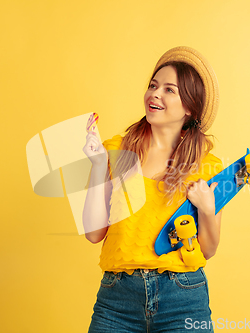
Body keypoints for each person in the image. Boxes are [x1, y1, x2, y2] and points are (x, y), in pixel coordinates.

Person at [82, 46, 224, 332]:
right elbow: (94, 233)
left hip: (183, 297)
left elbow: (207, 249)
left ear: (189, 107)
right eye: (153, 85)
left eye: (169, 90)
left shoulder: (207, 167)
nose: (155, 94)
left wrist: (207, 209)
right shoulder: (116, 151)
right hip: (117, 300)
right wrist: (98, 166)